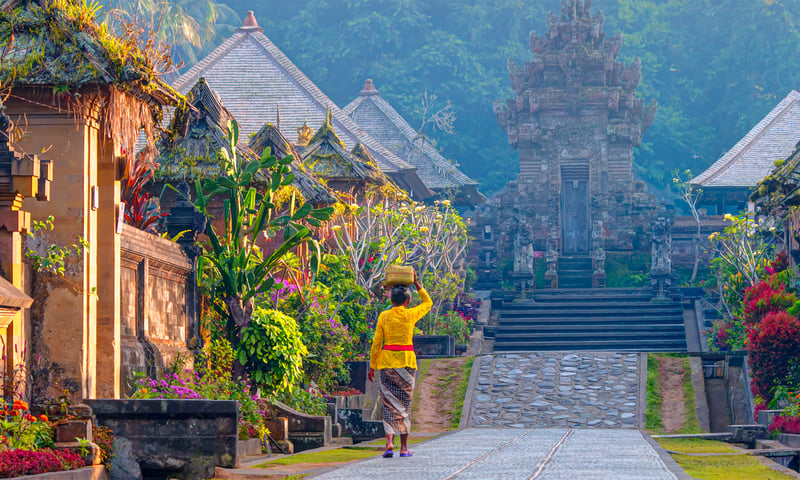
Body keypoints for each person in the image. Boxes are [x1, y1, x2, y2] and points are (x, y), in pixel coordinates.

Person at [368, 271, 432, 458]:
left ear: (392, 300)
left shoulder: (384, 316)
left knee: (388, 404)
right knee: (404, 404)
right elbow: (428, 303)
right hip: (406, 363)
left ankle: (389, 443)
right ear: (407, 301)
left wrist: (372, 366)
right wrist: (418, 284)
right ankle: (404, 448)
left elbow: (376, 343)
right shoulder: (411, 314)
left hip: (387, 363)